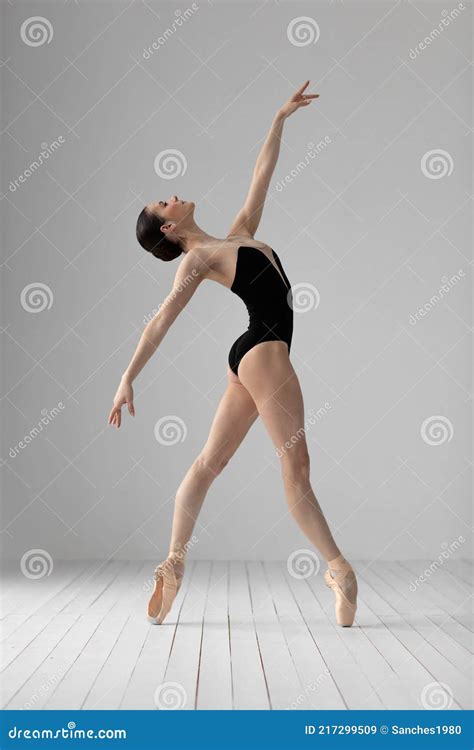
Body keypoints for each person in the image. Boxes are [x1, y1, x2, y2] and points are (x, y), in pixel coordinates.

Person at [108, 81, 357, 628]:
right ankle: (340, 569)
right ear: (169, 229)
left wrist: (279, 118)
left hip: (250, 355)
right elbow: (160, 321)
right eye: (163, 201)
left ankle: (173, 565)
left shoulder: (236, 235)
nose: (171, 193)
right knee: (295, 469)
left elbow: (260, 177)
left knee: (209, 464)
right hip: (264, 349)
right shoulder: (197, 260)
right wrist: (128, 376)